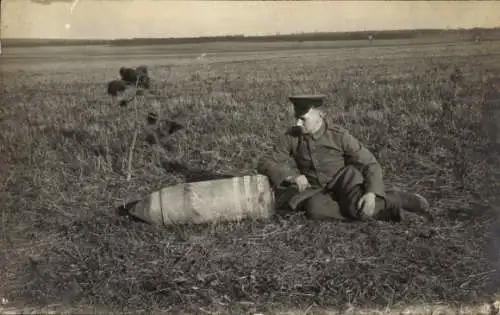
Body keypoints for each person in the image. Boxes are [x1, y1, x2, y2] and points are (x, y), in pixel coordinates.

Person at [257, 94, 432, 222]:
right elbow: (264, 162)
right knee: (314, 210)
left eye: (303, 119)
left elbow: (370, 163)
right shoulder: (292, 136)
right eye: (296, 119)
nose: (298, 124)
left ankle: (397, 201)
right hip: (319, 189)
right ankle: (371, 208)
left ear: (321, 115)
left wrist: (371, 193)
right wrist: (290, 176)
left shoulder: (339, 136)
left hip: (347, 181)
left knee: (358, 207)